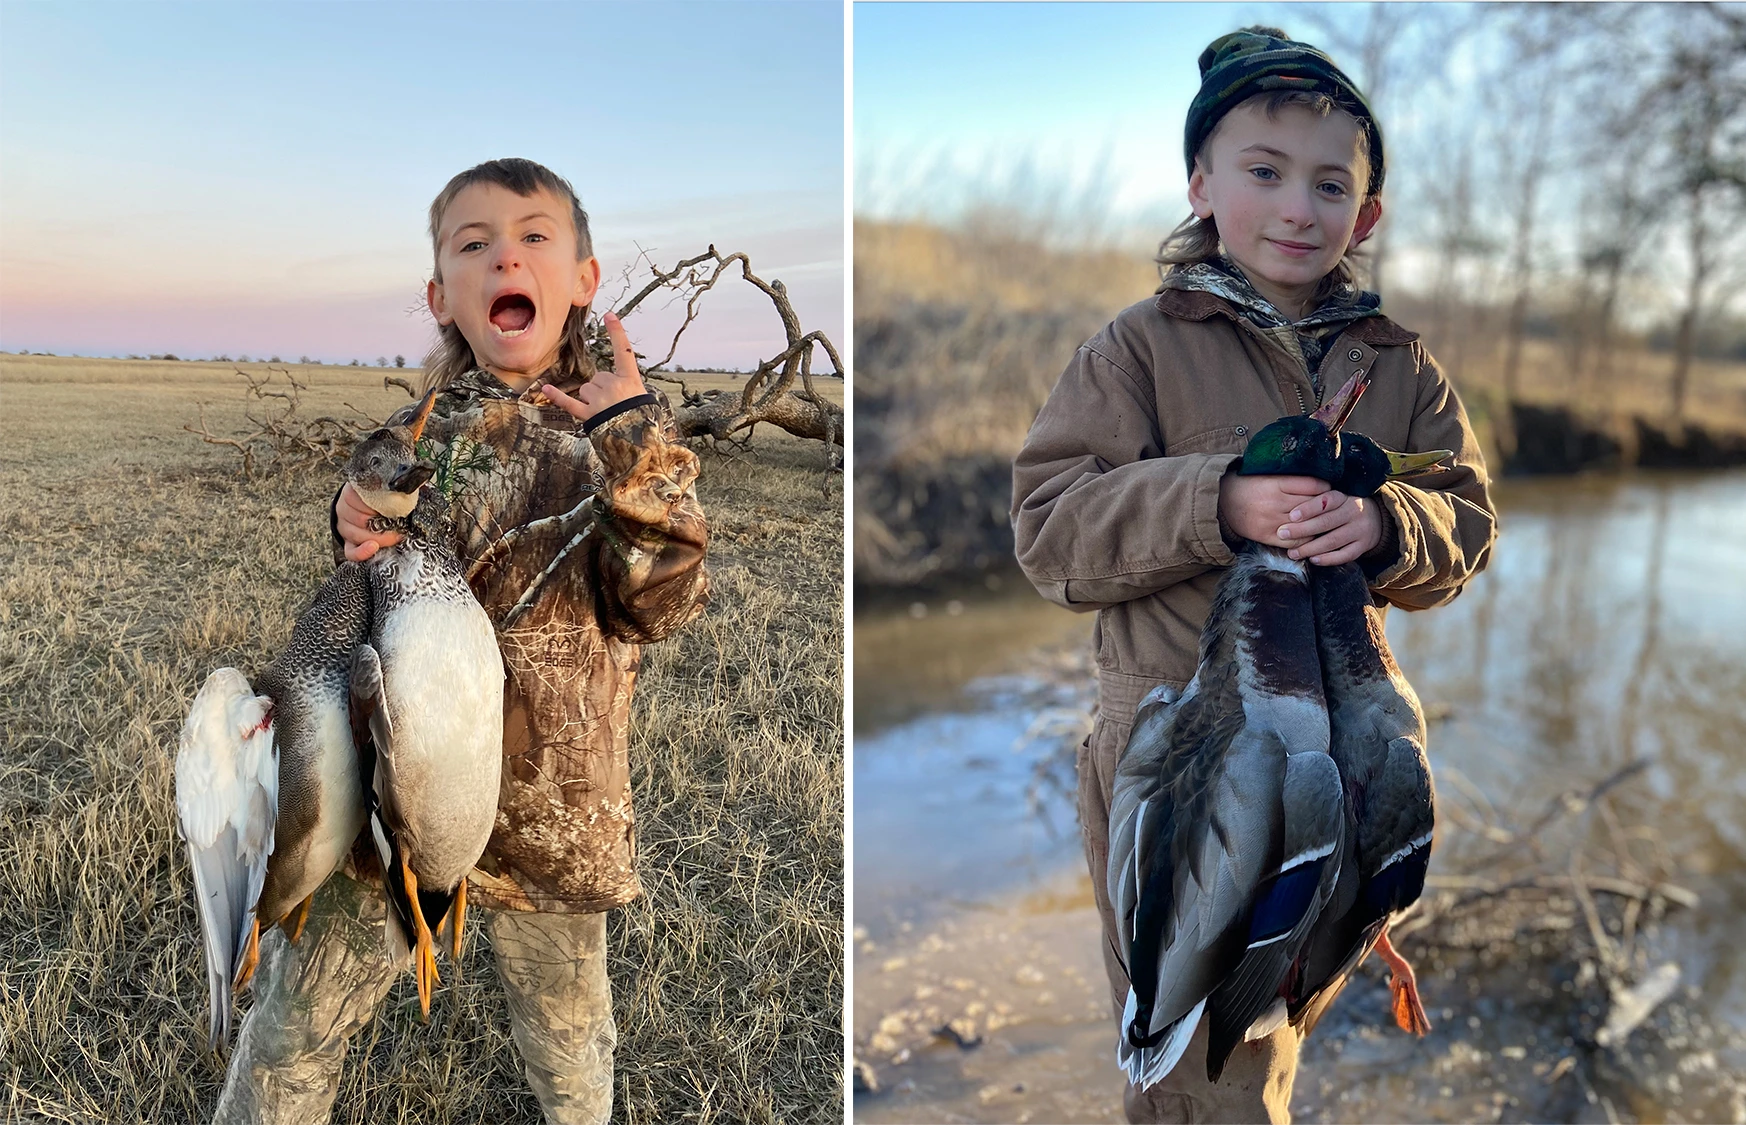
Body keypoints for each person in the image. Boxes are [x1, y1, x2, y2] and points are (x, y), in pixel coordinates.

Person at [1011, 27, 1496, 1125]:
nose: (1298, 208)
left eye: (1331, 184)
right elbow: (1048, 533)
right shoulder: (1134, 349)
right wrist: (1217, 503)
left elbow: (1465, 525)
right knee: (1200, 1067)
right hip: (1179, 770)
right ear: (1202, 184)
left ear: (1364, 215)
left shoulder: (1400, 368)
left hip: (1340, 760)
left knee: (1276, 1031)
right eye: (1265, 173)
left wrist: (1384, 524)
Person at [213, 158, 708, 1125]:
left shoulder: (617, 440)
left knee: (569, 1051)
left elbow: (662, 601)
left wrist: (632, 447)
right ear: (442, 295)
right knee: (292, 1033)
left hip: (547, 820)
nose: (503, 259)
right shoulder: (418, 430)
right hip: (386, 801)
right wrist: (348, 514)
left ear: (584, 281)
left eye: (532, 238)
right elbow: (367, 540)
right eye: (473, 245)